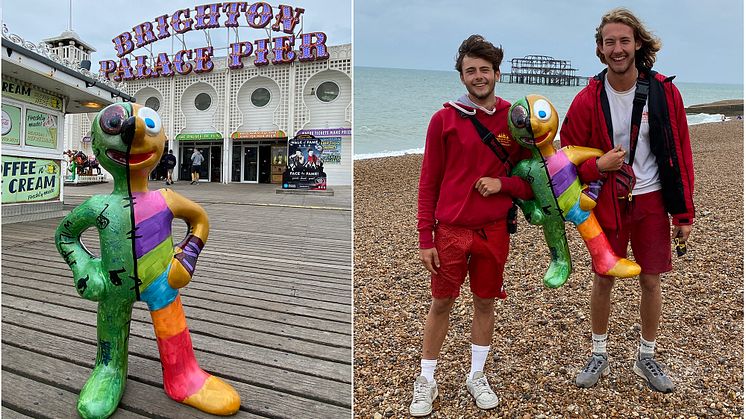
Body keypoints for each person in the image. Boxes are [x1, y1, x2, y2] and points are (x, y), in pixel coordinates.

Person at [560, 8, 694, 393]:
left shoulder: (664, 93)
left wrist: (684, 212)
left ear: (637, 43)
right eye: (609, 42)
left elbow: (681, 154)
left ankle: (646, 356)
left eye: (624, 41)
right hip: (607, 202)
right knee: (603, 279)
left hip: (652, 199)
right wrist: (597, 167)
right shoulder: (588, 99)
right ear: (600, 50)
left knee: (651, 280)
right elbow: (564, 159)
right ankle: (599, 353)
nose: (617, 49)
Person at [411, 34, 533, 416]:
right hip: (450, 231)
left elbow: (534, 179)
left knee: (484, 303)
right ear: (462, 77)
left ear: (497, 73)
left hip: (494, 230)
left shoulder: (516, 119)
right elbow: (428, 180)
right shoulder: (444, 119)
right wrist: (424, 236)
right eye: (470, 71)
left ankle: (476, 375)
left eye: (485, 69)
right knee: (441, 303)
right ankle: (426, 379)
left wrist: (504, 184)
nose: (478, 76)